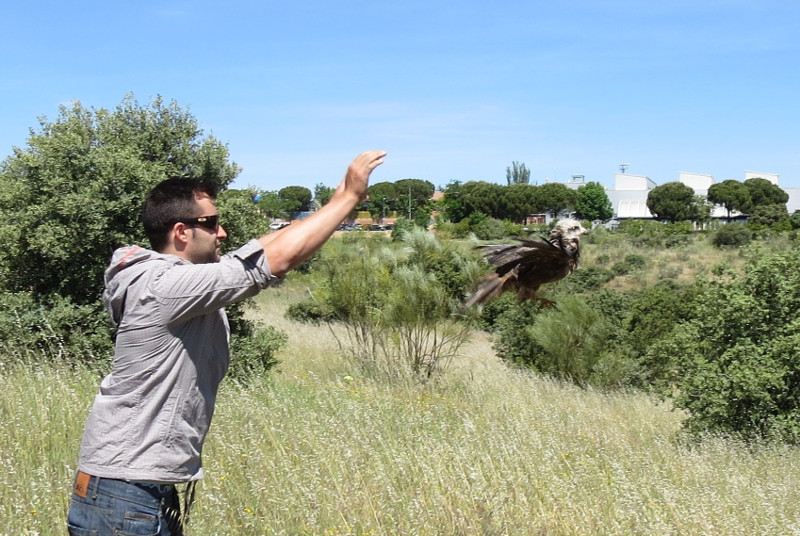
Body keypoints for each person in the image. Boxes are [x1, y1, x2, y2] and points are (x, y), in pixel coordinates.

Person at [67, 150, 387, 535]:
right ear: (182, 232)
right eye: (213, 223)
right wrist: (347, 199)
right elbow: (271, 262)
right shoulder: (165, 286)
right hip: (126, 494)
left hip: (131, 490)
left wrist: (331, 207)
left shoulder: (166, 281)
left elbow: (256, 251)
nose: (222, 233)